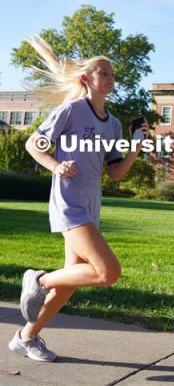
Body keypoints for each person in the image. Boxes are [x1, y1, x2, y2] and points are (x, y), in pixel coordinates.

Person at [8, 37, 148, 362]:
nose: (110, 77)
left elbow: (115, 174)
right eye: (103, 72)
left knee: (70, 282)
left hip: (90, 206)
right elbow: (34, 144)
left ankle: (25, 337)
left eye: (113, 73)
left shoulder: (112, 124)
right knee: (108, 272)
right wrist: (57, 165)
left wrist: (136, 148)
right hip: (69, 203)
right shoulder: (71, 111)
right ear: (87, 79)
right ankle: (39, 278)